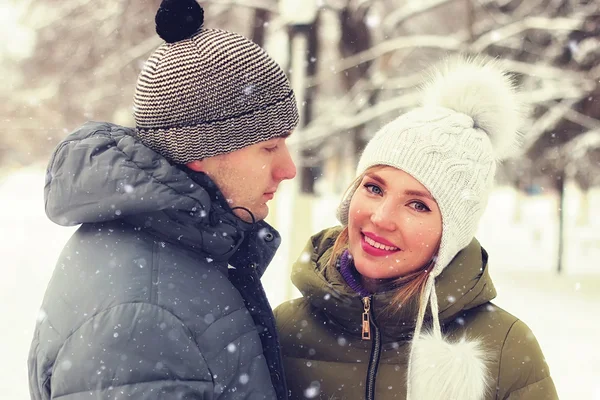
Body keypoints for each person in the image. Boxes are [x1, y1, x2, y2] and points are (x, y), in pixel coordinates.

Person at [28, 0, 298, 399]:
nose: (289, 168)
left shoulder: (171, 241)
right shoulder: (146, 314)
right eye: (269, 147)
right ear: (200, 152)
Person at [274, 56, 559, 400]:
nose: (381, 217)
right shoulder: (285, 330)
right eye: (374, 188)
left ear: (451, 232)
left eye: (418, 205)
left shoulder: (505, 348)